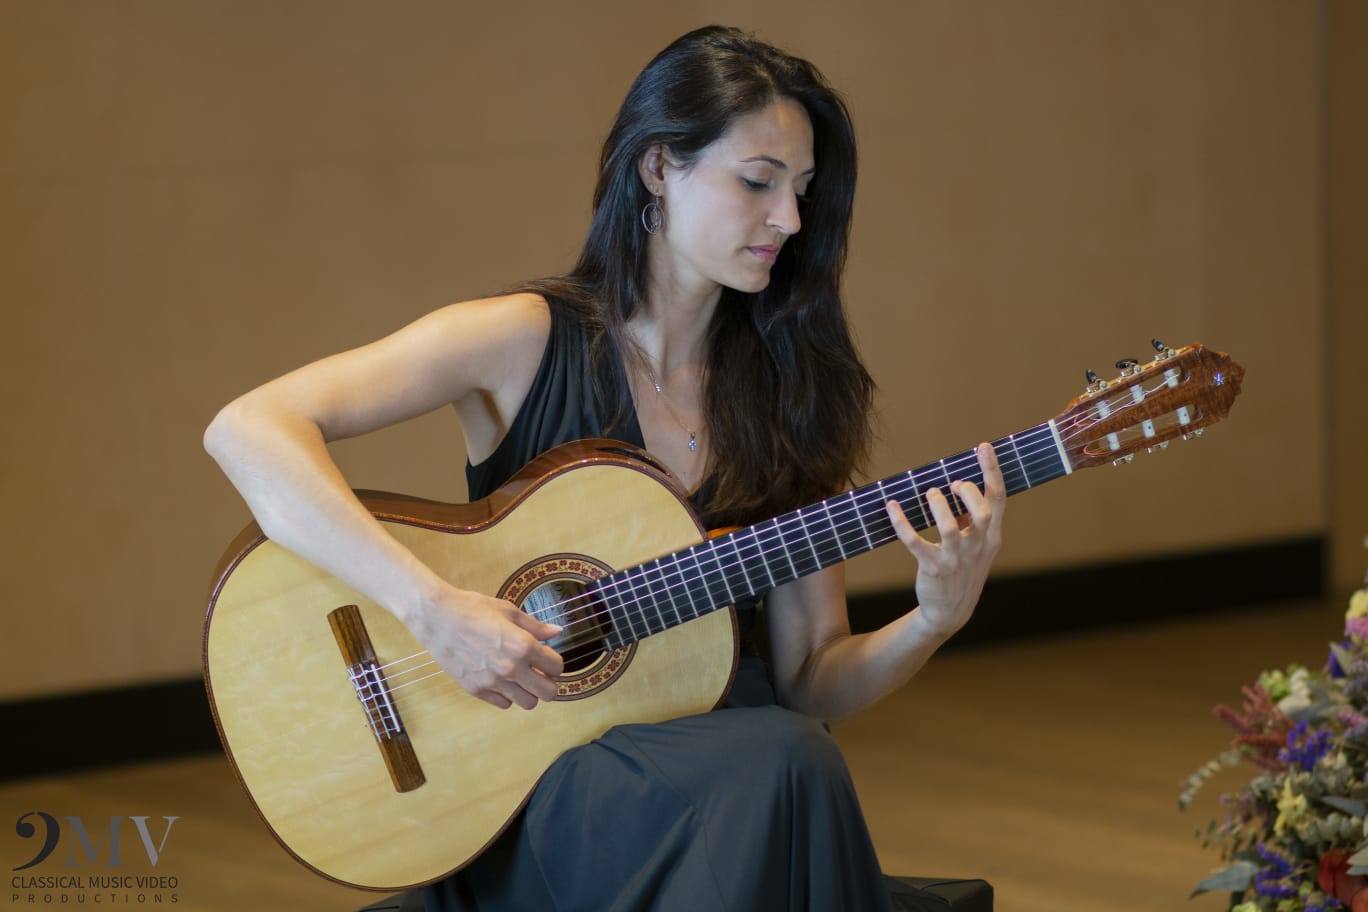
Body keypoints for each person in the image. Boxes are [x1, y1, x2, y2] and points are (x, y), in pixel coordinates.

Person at [204, 24, 1006, 912]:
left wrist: (932, 620)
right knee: (786, 757)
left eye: (804, 191)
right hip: (541, 781)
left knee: (788, 747)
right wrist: (432, 610)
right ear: (658, 168)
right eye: (757, 181)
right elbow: (249, 428)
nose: (790, 220)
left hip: (728, 784)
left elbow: (814, 677)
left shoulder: (787, 393)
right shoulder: (522, 339)